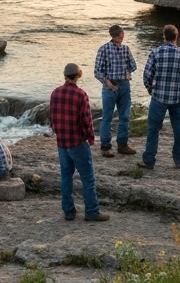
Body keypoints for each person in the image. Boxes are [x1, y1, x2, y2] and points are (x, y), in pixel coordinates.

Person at [49, 63, 106, 222]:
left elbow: (52, 117)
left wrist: (57, 132)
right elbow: (86, 121)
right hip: (77, 142)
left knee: (66, 176)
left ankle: (68, 212)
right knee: (88, 179)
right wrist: (90, 137)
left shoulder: (55, 93)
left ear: (65, 75)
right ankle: (92, 212)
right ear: (78, 75)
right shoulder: (80, 95)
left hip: (62, 142)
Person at [138, 25, 180, 170]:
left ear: (164, 36)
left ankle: (149, 160)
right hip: (178, 98)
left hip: (159, 97)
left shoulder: (156, 53)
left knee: (153, 129)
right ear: (176, 37)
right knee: (178, 128)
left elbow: (146, 76)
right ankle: (179, 160)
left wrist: (151, 89)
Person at [93, 24, 137, 158]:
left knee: (125, 116)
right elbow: (97, 71)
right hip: (110, 86)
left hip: (124, 85)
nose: (122, 38)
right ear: (114, 36)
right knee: (107, 117)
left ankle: (122, 145)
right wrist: (107, 82)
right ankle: (105, 147)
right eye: (120, 36)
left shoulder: (125, 49)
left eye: (122, 36)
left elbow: (133, 65)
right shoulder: (104, 49)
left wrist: (128, 73)